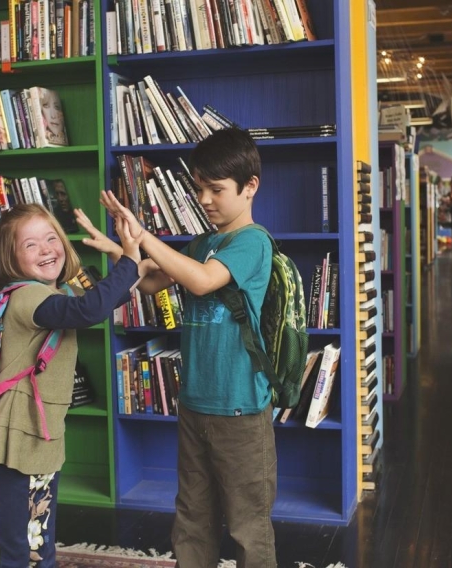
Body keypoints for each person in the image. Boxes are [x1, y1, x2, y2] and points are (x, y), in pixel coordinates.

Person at [79, 127, 278, 568]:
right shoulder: (203, 243)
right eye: (199, 189)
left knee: (248, 523)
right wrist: (118, 246)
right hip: (194, 403)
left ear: (250, 187)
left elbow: (203, 280)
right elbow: (152, 281)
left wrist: (144, 235)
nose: (204, 200)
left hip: (241, 408)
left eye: (216, 190)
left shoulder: (253, 242)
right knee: (192, 516)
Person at [0, 203, 144, 568]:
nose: (46, 249)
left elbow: (104, 298)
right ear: (10, 258)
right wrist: (129, 259)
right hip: (12, 439)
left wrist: (132, 258)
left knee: (36, 541)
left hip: (37, 432)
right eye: (31, 244)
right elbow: (88, 311)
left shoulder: (58, 291)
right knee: (12, 548)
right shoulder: (27, 297)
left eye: (51, 238)